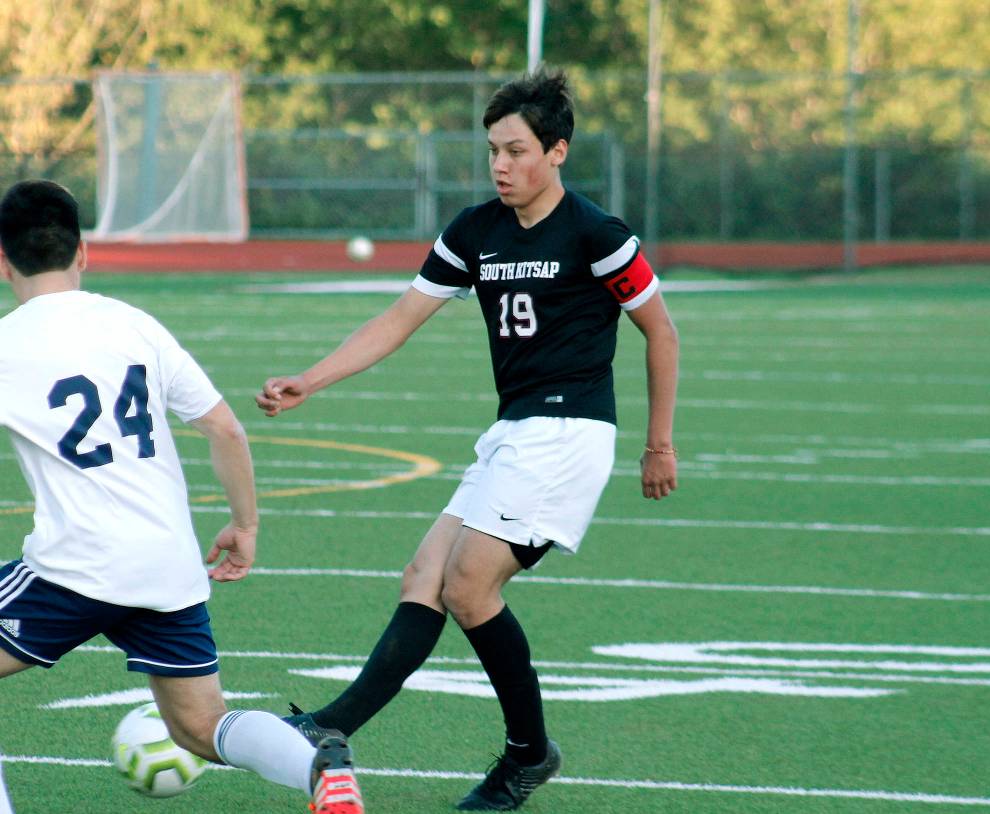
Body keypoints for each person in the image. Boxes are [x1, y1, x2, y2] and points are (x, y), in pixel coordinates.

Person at [257, 67, 679, 811]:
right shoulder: (474, 230)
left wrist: (659, 444)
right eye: (493, 151)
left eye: (516, 150)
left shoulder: (597, 233)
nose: (501, 165)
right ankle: (331, 727)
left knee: (467, 584)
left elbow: (661, 329)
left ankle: (526, 756)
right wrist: (310, 380)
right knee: (424, 576)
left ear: (558, 151)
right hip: (516, 430)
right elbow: (398, 318)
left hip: (571, 432)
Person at [0, 180, 363, 814]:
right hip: (167, 563)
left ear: (3, 262)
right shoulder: (134, 324)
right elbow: (224, 426)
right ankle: (317, 770)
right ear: (82, 253)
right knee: (200, 725)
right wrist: (244, 524)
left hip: (75, 566)